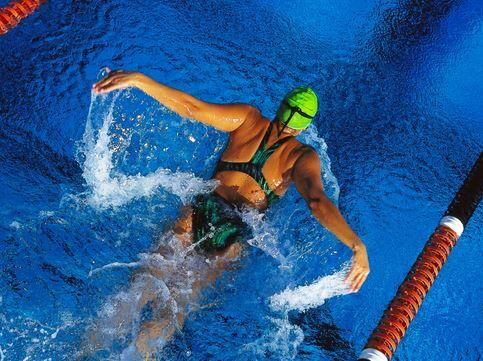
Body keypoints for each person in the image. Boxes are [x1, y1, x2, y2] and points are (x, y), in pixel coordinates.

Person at [92, 69, 370, 355]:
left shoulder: (247, 119)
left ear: (280, 106)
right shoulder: (301, 156)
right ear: (303, 127)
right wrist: (356, 244)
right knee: (176, 306)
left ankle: (82, 352)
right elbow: (317, 202)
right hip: (232, 237)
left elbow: (192, 107)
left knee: (140, 285)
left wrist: (139, 79)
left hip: (197, 212)